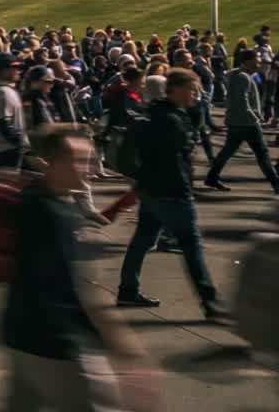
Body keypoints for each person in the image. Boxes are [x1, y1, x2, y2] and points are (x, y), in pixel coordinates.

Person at [4, 124, 162, 412]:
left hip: (21, 334)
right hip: (57, 345)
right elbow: (81, 289)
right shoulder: (53, 214)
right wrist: (124, 349)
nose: (89, 170)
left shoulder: (35, 200)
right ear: (53, 163)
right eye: (80, 162)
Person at [117, 69, 230, 319]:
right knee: (191, 246)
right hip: (173, 191)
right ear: (176, 90)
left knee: (143, 240)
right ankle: (210, 301)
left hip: (150, 190)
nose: (195, 94)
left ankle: (127, 289)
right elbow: (179, 157)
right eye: (192, 89)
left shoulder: (157, 114)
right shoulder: (173, 120)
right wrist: (184, 191)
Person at [203, 49, 279, 193]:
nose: (259, 61)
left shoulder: (242, 75)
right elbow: (241, 102)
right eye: (256, 58)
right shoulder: (242, 77)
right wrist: (254, 118)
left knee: (227, 151)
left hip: (237, 122)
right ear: (247, 61)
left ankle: (212, 178)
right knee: (262, 154)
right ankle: (276, 184)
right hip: (247, 124)